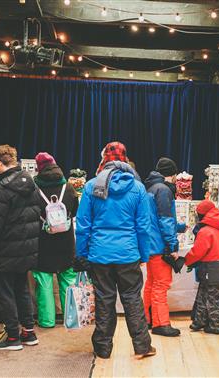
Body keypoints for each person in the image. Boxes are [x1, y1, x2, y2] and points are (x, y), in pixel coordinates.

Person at [75, 141, 155, 360]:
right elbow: (143, 227)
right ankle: (142, 346)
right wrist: (143, 254)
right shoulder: (138, 187)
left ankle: (102, 348)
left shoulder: (92, 186)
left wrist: (81, 253)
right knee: (132, 299)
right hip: (128, 254)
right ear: (125, 159)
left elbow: (83, 225)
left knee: (104, 299)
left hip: (99, 254)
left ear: (104, 160)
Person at [0, 145, 41, 351]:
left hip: (4, 251)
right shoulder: (31, 183)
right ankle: (28, 332)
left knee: (5, 293)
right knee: (22, 289)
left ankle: (13, 337)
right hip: (26, 249)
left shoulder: (2, 188)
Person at [32, 153, 79, 328]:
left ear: (39, 168)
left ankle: (47, 321)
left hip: (42, 243)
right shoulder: (68, 187)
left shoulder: (34, 189)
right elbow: (74, 212)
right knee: (68, 281)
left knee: (44, 284)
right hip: (66, 242)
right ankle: (71, 319)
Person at [143, 157, 186, 337]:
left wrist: (181, 227)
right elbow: (165, 221)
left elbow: (155, 220)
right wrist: (173, 245)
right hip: (160, 247)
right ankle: (161, 323)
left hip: (150, 246)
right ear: (173, 175)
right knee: (161, 285)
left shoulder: (150, 189)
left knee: (151, 284)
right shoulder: (164, 190)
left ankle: (147, 319)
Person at [178, 200, 219, 334]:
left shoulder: (205, 231)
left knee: (212, 298)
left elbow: (197, 252)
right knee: (207, 295)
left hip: (209, 268)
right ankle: (199, 321)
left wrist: (187, 261)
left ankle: (216, 326)